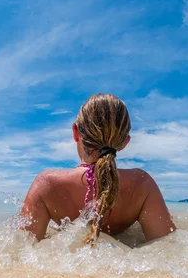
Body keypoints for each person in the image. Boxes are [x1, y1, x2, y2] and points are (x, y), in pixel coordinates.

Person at [20, 93, 176, 245]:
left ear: (75, 133)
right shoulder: (142, 184)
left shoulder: (47, 184)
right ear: (124, 143)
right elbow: (168, 246)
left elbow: (21, 249)